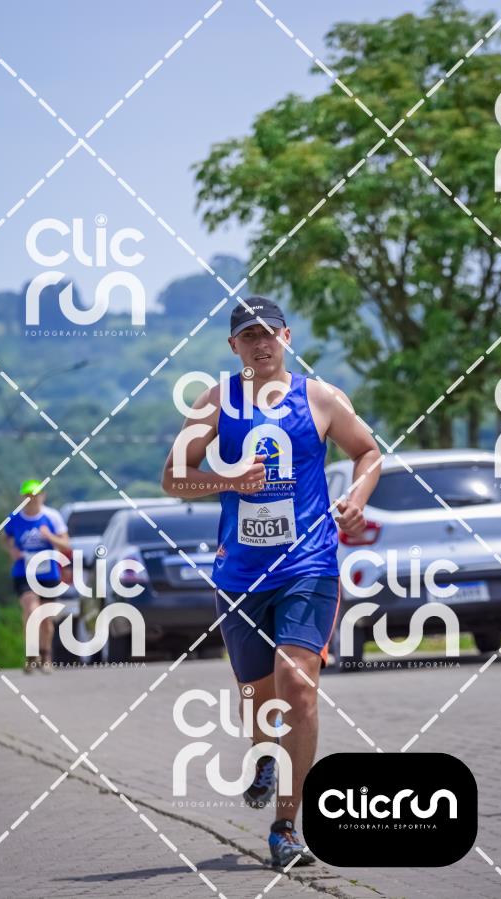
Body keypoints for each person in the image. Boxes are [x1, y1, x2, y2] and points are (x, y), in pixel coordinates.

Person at [162, 296, 381, 867]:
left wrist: (357, 500)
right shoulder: (216, 403)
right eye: (248, 335)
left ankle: (286, 827)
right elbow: (174, 478)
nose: (260, 343)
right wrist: (228, 479)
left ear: (286, 337)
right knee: (258, 700)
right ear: (233, 346)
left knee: (297, 684)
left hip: (308, 565)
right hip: (239, 575)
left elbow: (369, 453)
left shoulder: (322, 398)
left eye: (268, 333)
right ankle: (263, 754)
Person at [1, 480, 70, 673]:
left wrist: (50, 537)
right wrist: (11, 550)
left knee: (46, 618)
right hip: (24, 572)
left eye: (35, 495)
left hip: (48, 572)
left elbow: (66, 544)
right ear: (22, 498)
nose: (31, 499)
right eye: (28, 496)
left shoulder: (52, 516)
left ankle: (45, 655)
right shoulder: (15, 518)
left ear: (43, 496)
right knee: (31, 610)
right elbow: (4, 538)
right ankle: (32, 655)